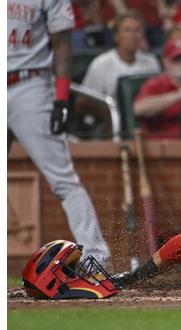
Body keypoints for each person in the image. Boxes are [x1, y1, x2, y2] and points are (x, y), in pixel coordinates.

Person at [8, 0, 111, 266]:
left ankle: (95, 257)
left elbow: (62, 43)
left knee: (62, 178)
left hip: (29, 86)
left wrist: (62, 97)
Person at [75, 12, 161, 138]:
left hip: (145, 121)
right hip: (109, 123)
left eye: (137, 31)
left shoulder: (151, 62)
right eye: (127, 31)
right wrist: (108, 115)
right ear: (116, 36)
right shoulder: (101, 64)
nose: (133, 35)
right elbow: (82, 102)